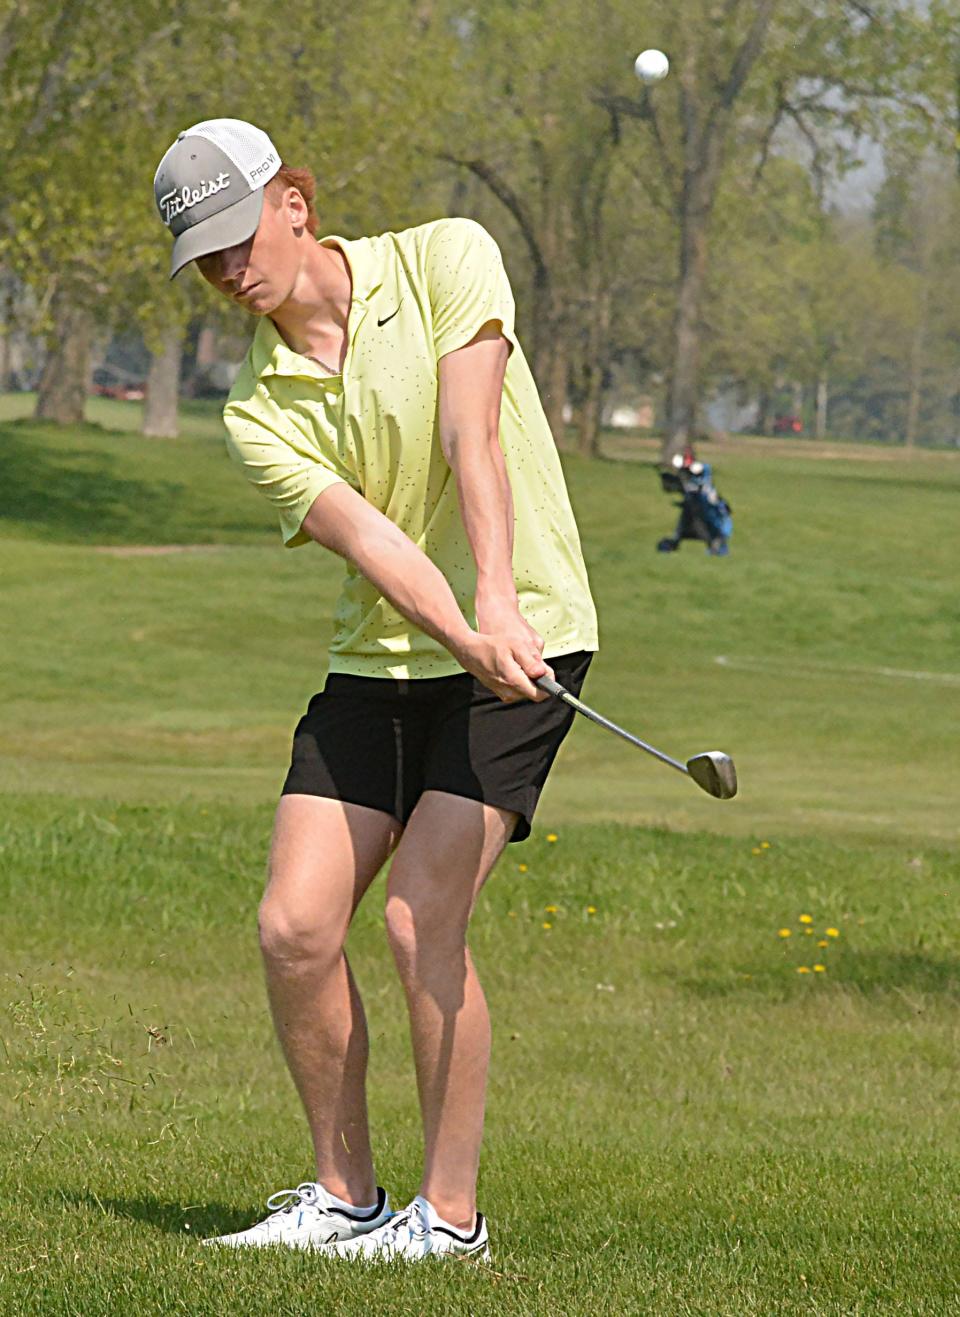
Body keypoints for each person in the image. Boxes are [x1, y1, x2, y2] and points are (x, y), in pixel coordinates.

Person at [153, 118, 599, 1263]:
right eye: (204, 257)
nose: (230, 269)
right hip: (385, 657)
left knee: (419, 918)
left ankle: (450, 1222)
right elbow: (374, 544)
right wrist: (456, 625)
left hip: (528, 634)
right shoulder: (255, 409)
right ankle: (345, 1196)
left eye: (238, 234)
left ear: (294, 199)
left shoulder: (448, 255)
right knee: (295, 927)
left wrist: (494, 608)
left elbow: (472, 439)